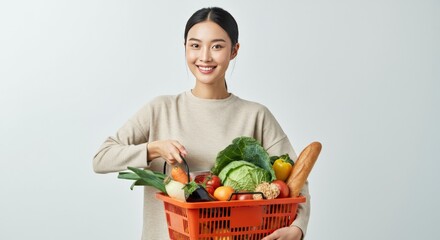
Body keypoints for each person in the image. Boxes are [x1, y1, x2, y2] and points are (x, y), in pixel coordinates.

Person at [93, 7, 310, 240]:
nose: (205, 56)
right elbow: (101, 159)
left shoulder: (256, 115)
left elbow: (298, 181)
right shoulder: (161, 109)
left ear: (234, 51)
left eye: (217, 46)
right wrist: (153, 149)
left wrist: (297, 229)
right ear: (185, 47)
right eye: (195, 45)